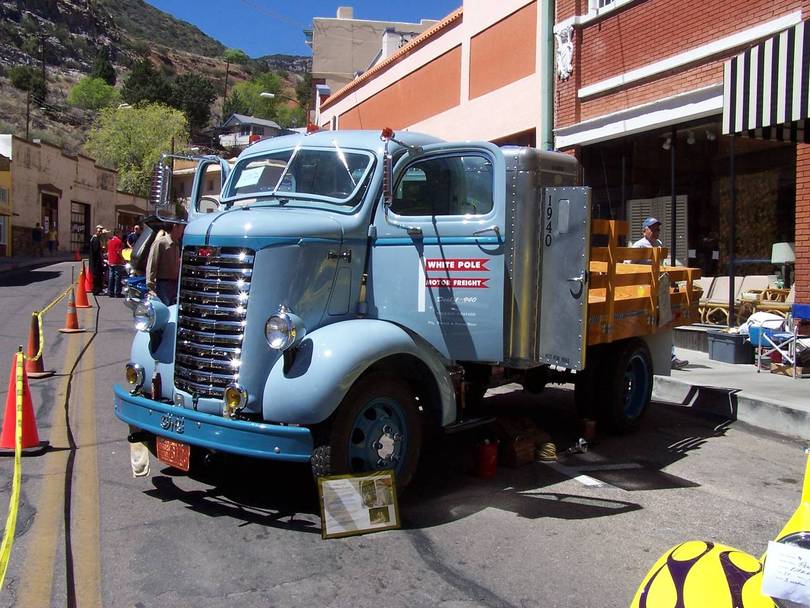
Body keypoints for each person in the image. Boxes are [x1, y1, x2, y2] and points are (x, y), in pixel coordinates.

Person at [630, 217, 689, 370]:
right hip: (643, 291)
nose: (656, 231)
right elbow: (629, 267)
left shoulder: (659, 245)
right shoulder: (639, 245)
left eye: (658, 229)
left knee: (665, 320)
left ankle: (670, 356)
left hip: (658, 290)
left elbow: (662, 266)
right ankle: (665, 356)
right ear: (644, 231)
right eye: (653, 228)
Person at [145, 221, 184, 306]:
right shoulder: (160, 243)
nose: (183, 230)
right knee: (165, 311)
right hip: (163, 285)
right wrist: (150, 287)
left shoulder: (177, 243)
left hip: (175, 284)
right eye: (181, 227)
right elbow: (152, 264)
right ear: (175, 226)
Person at [106, 230, 125, 298]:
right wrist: (123, 259)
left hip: (111, 261)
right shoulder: (119, 241)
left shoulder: (109, 241)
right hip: (117, 261)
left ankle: (110, 292)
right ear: (117, 233)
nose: (121, 234)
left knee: (111, 277)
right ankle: (117, 292)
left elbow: (108, 251)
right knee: (117, 277)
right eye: (120, 233)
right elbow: (118, 252)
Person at [89, 225, 106, 295]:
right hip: (95, 261)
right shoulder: (95, 239)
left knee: (98, 275)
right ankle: (96, 290)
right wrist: (101, 249)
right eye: (99, 231)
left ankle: (97, 289)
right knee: (97, 276)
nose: (100, 232)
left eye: (101, 231)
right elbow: (96, 250)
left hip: (95, 261)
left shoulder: (94, 238)